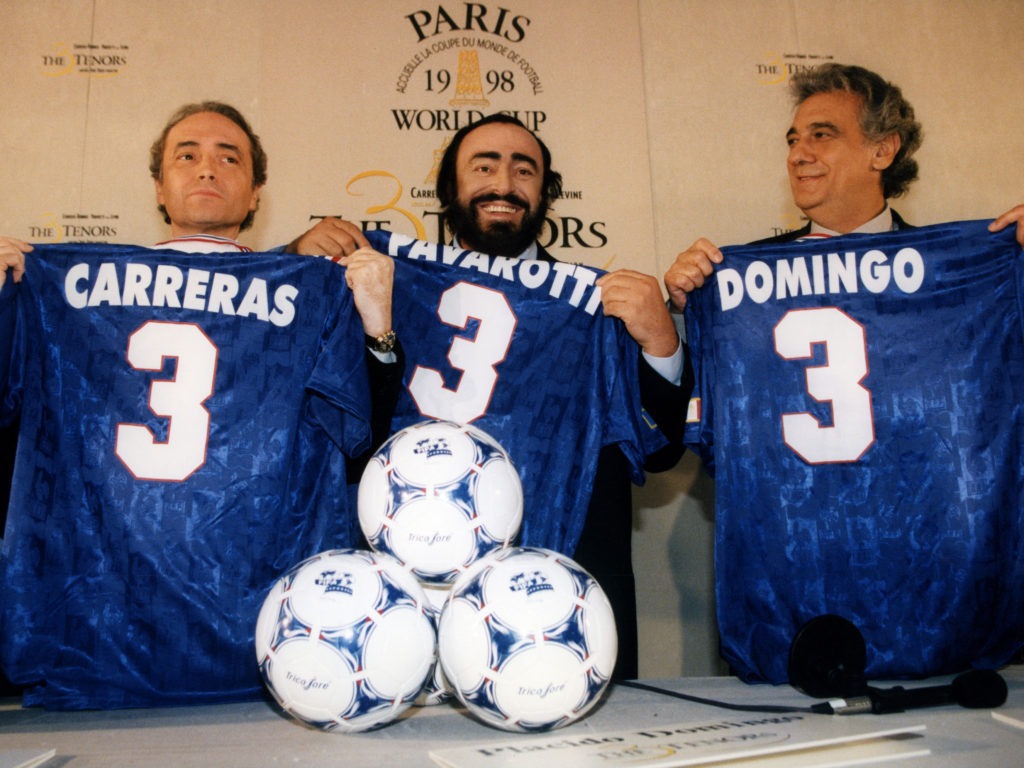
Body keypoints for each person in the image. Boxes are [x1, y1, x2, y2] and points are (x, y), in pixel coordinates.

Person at [0, 101, 401, 708]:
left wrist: (376, 330)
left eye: (228, 157)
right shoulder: (56, 288)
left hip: (263, 634)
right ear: (160, 187)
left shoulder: (313, 290)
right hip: (100, 627)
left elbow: (360, 439)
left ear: (256, 192)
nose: (206, 169)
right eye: (186, 156)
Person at [412, 112, 691, 680]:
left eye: (524, 169)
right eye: (483, 165)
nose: (504, 183)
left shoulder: (598, 304)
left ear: (545, 194)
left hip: (569, 588)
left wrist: (662, 341)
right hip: (425, 574)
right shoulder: (393, 293)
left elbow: (661, 451)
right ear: (449, 189)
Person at [664, 63, 1024, 309]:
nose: (797, 156)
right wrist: (685, 315)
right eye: (793, 141)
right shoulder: (741, 276)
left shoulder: (958, 270)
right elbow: (693, 401)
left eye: (821, 135)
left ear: (882, 150)